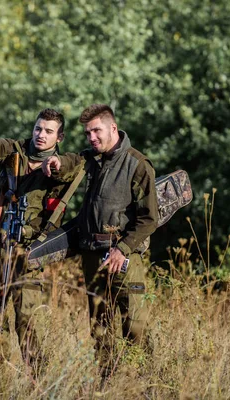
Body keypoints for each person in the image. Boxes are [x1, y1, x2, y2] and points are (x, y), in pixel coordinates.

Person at [41, 104, 159, 375]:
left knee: (134, 325)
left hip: (125, 258)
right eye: (87, 133)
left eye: (97, 131)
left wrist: (123, 249)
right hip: (92, 256)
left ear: (113, 128)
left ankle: (147, 383)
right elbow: (72, 161)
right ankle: (108, 381)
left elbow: (149, 219)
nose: (92, 137)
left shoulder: (137, 164)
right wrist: (58, 162)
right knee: (100, 327)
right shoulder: (91, 159)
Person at [0, 108, 70, 367]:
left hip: (28, 253)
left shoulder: (60, 170)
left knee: (27, 318)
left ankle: (38, 379)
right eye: (38, 128)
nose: (41, 135)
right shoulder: (16, 151)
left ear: (59, 138)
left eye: (49, 131)